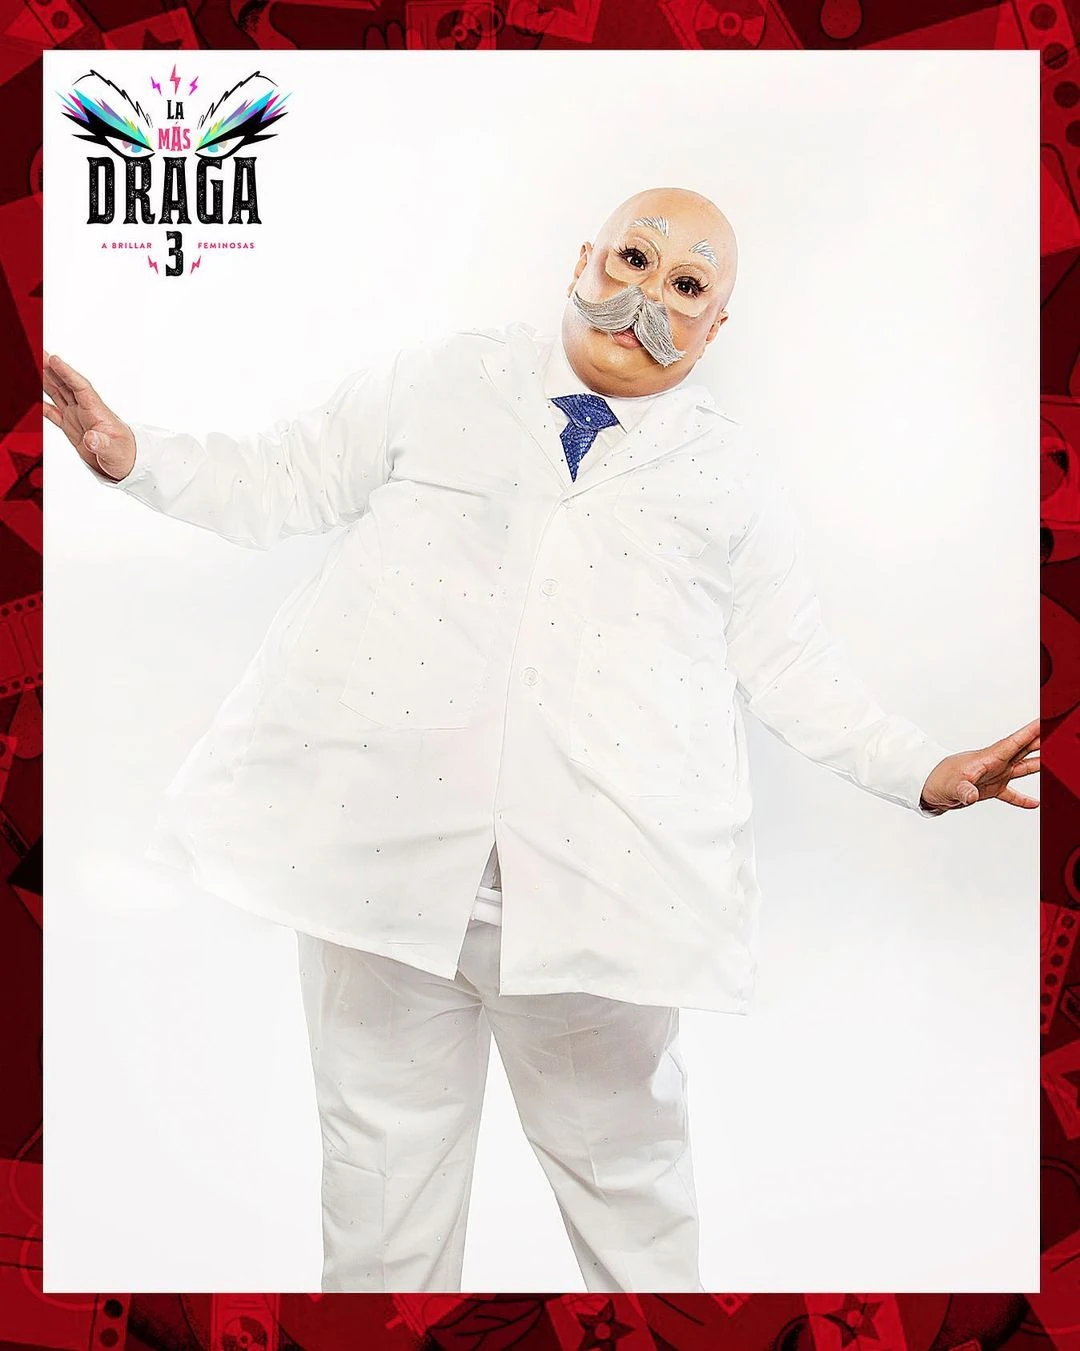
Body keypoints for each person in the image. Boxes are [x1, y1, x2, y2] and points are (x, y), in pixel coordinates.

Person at [42, 186, 1040, 1293]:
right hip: (384, 882)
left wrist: (922, 771)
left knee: (634, 1209)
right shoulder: (445, 379)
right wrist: (135, 457)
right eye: (633, 259)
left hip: (597, 904)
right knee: (379, 1205)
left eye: (686, 285)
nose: (646, 300)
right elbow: (284, 476)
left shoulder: (728, 477)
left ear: (718, 326)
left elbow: (789, 661)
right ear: (582, 259)